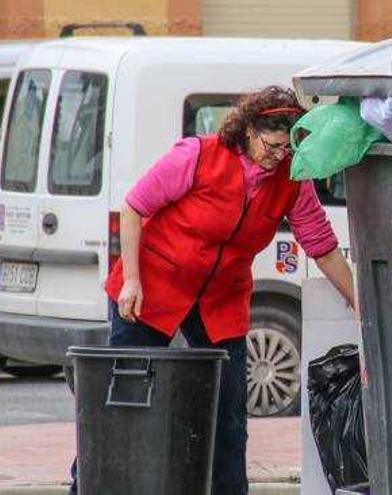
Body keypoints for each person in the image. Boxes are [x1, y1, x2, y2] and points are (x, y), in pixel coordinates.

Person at [69, 86, 354, 494]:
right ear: (249, 132)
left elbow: (321, 243)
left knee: (229, 416)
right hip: (153, 285)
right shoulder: (198, 155)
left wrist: (358, 299)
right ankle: (87, 487)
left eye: (286, 148)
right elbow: (134, 207)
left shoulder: (292, 175)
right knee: (124, 401)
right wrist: (131, 278)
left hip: (221, 297)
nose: (278, 157)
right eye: (271, 146)